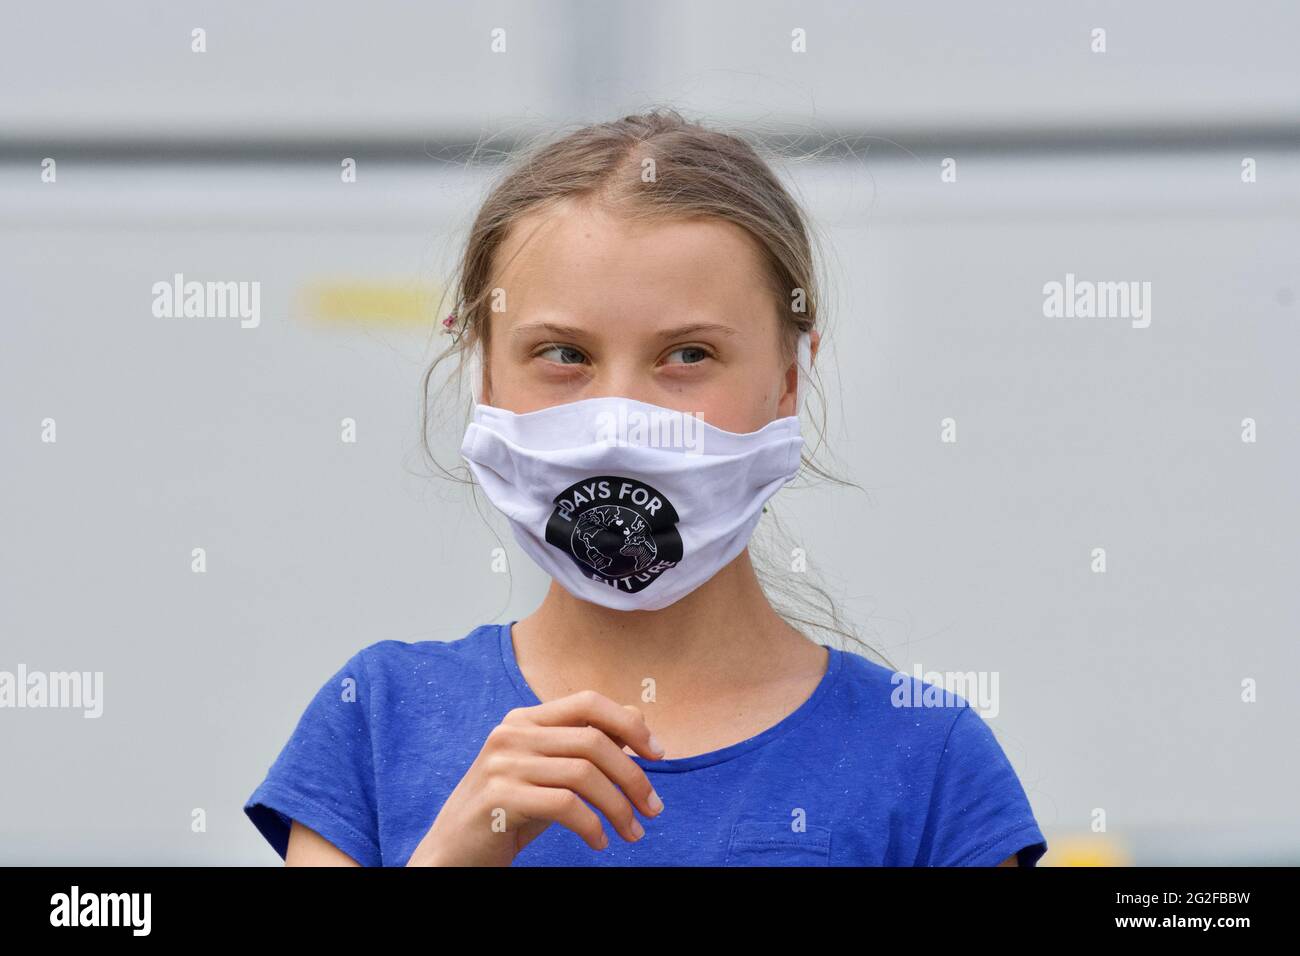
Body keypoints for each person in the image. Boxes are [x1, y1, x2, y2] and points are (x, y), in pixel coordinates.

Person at [244, 108, 1048, 867]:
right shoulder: (379, 719)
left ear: (789, 379)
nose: (618, 425)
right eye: (562, 353)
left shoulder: (927, 757)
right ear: (485, 371)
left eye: (688, 355)